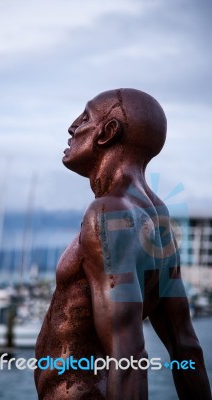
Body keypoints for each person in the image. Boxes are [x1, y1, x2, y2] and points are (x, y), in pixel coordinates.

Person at [35, 88, 211, 399]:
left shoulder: (108, 214)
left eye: (85, 117)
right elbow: (186, 347)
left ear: (108, 133)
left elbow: (127, 355)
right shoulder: (157, 219)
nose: (72, 127)